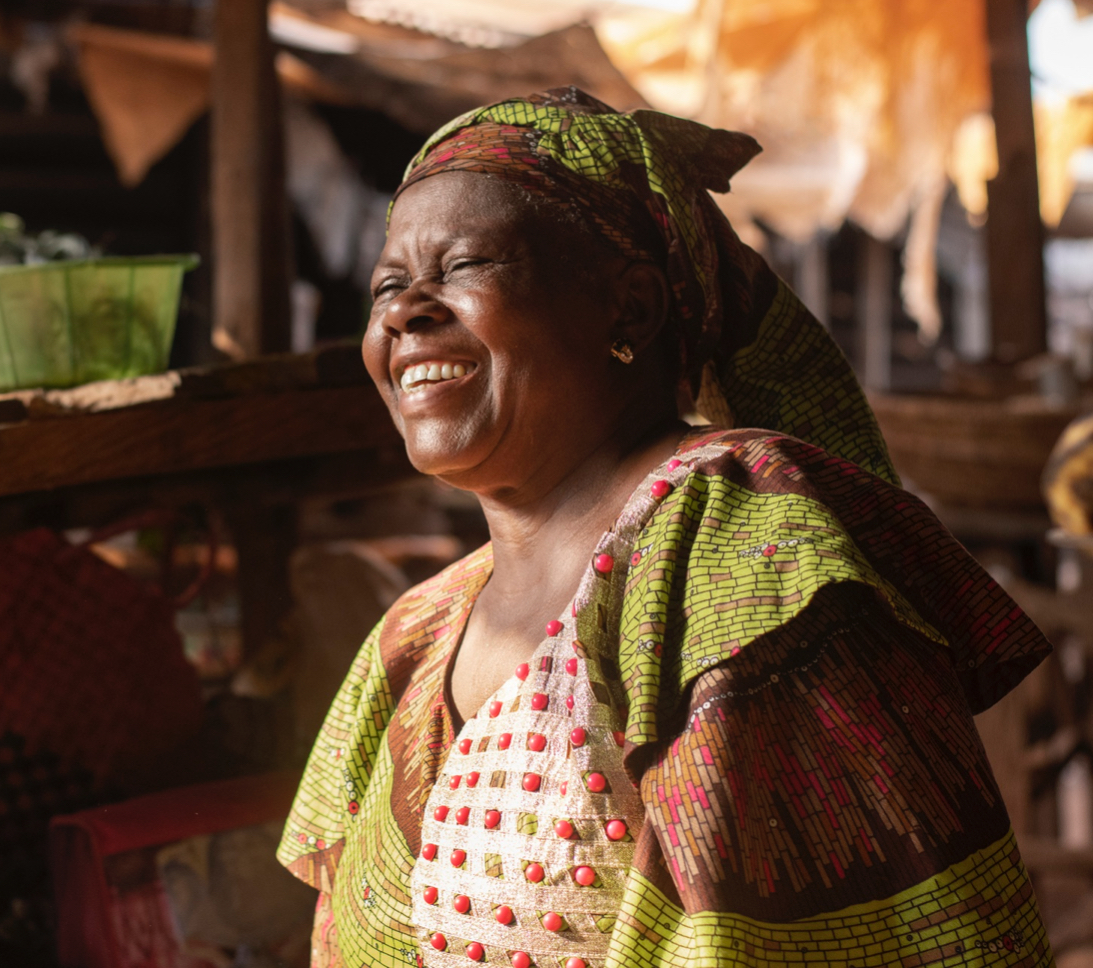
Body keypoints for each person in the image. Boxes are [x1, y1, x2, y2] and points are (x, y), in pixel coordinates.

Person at [276, 88, 1052, 967]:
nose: (405, 312)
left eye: (462, 267)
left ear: (631, 310)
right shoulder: (415, 634)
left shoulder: (743, 548)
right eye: (389, 283)